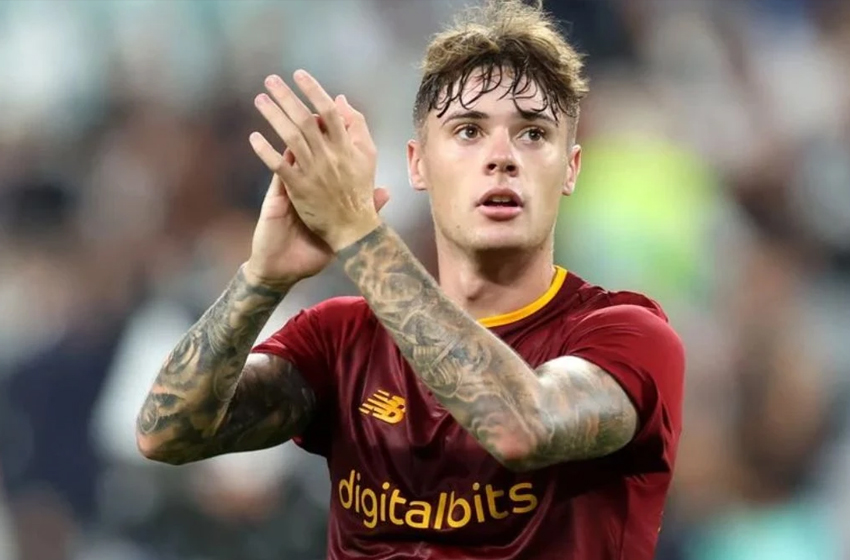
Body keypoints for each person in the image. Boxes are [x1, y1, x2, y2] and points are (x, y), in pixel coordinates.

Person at [135, 1, 685, 558]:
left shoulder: (627, 336)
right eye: (469, 131)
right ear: (417, 164)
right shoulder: (342, 339)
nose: (502, 157)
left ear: (570, 168)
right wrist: (262, 279)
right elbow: (166, 433)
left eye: (533, 134)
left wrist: (357, 229)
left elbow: (519, 427)